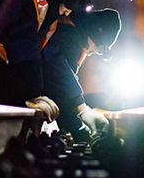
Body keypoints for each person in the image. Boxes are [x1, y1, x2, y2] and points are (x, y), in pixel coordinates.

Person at [42, 8, 121, 139]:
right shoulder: (70, 36)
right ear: (95, 34)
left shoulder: (71, 30)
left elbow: (60, 91)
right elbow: (57, 69)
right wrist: (82, 109)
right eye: (100, 49)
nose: (95, 52)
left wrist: (76, 126)